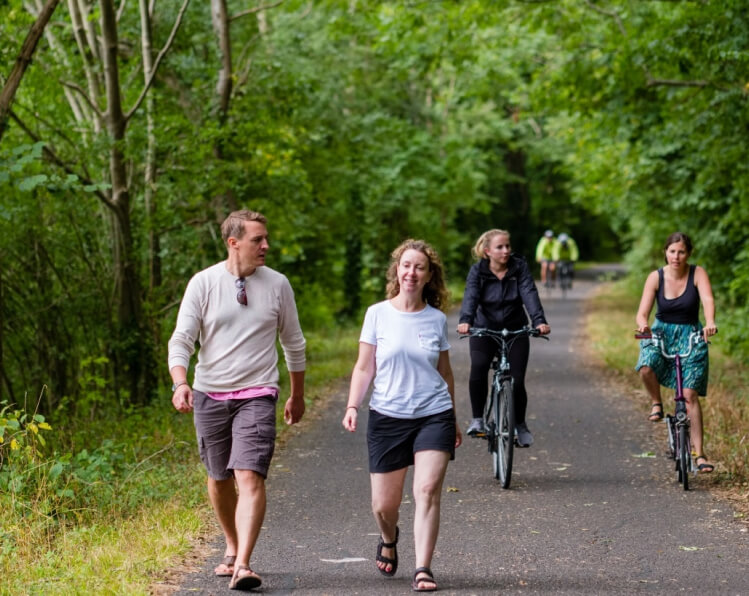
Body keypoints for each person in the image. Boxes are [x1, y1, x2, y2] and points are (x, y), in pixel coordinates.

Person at [168, 209, 306, 590]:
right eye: (257, 239)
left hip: (258, 393)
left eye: (266, 238)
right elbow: (182, 340)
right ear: (233, 243)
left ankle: (243, 563)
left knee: (249, 474)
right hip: (209, 392)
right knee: (219, 477)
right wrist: (180, 383)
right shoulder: (203, 283)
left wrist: (297, 394)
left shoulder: (277, 285)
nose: (266, 246)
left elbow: (293, 343)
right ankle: (231, 544)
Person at [342, 239, 462, 593]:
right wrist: (352, 405)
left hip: (434, 414)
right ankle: (388, 537)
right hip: (388, 416)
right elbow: (364, 367)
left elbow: (445, 372)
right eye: (406, 265)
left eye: (419, 267)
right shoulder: (377, 314)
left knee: (426, 490)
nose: (411, 272)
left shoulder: (436, 319)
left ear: (429, 276)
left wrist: (453, 416)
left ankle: (423, 568)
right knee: (383, 505)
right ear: (397, 270)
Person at [457, 229, 550, 446]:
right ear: (487, 251)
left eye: (508, 246)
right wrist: (466, 320)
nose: (506, 250)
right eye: (500, 247)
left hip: (515, 329)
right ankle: (478, 419)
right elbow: (471, 295)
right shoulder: (478, 271)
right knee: (479, 367)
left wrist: (538, 321)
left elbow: (529, 292)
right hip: (484, 329)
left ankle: (520, 425)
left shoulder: (519, 268)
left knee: (516, 380)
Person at [635, 231, 717, 473]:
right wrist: (643, 325)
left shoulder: (697, 273)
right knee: (646, 366)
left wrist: (710, 322)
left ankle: (699, 454)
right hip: (661, 332)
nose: (676, 257)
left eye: (681, 252)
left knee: (689, 395)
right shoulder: (656, 277)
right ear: (666, 252)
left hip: (691, 333)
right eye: (672, 251)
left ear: (688, 254)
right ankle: (656, 402)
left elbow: (708, 299)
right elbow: (642, 312)